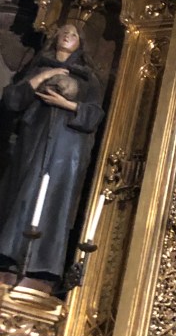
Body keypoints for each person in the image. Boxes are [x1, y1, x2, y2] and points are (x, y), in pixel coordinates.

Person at [0, 23, 104, 283]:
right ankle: (9, 254)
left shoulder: (87, 77)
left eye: (74, 34)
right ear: (56, 37)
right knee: (22, 191)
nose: (68, 35)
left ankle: (44, 265)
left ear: (80, 43)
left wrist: (66, 104)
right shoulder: (38, 67)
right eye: (64, 31)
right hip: (32, 141)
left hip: (66, 148)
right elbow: (12, 100)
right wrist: (46, 75)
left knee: (55, 199)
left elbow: (94, 114)